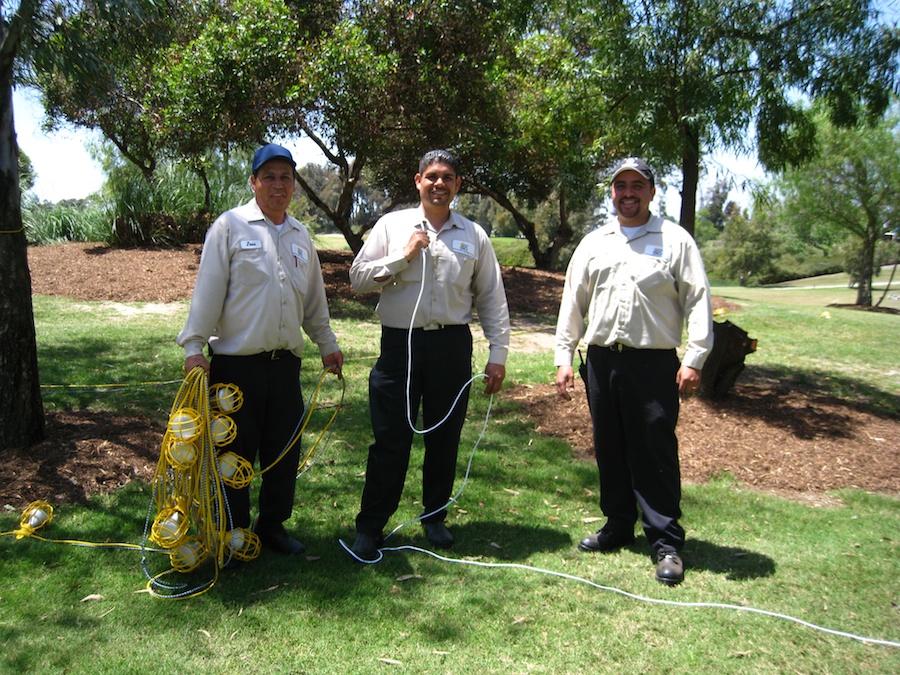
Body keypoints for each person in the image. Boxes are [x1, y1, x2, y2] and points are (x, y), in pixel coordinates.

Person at [177, 143, 343, 557]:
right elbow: (207, 295)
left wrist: (328, 345)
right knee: (232, 454)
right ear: (253, 182)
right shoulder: (230, 227)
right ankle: (232, 534)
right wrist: (194, 346)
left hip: (284, 366)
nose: (277, 185)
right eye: (268, 176)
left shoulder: (301, 235)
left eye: (285, 177)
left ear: (294, 186)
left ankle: (272, 527)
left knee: (283, 451)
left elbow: (314, 304)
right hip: (237, 368)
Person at [554, 157, 713, 586]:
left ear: (652, 192)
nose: (628, 192)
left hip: (653, 362)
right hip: (603, 360)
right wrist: (564, 357)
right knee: (610, 445)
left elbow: (698, 300)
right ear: (612, 192)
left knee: (653, 448)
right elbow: (573, 302)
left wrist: (695, 357)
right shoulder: (594, 243)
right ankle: (618, 525)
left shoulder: (675, 241)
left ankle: (665, 542)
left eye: (637, 185)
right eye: (620, 185)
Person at [348, 149, 510, 560]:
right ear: (418, 181)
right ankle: (371, 526)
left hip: (451, 346)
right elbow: (358, 280)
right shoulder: (392, 225)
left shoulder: (474, 235)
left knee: (444, 437)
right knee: (390, 438)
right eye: (432, 176)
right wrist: (404, 256)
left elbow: (491, 296)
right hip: (399, 344)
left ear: (458, 185)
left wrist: (498, 352)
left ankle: (434, 517)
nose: (440, 183)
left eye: (449, 177)